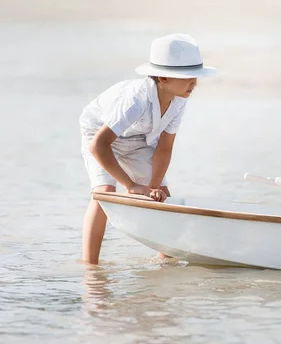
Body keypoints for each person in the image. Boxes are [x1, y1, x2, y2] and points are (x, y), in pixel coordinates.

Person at [79, 33, 217, 264]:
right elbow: (99, 145)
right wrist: (130, 185)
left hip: (137, 138)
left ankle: (165, 261)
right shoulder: (136, 99)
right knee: (104, 192)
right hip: (98, 134)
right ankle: (91, 268)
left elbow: (165, 147)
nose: (194, 83)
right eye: (187, 77)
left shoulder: (180, 98)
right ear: (163, 78)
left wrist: (153, 186)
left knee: (163, 196)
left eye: (196, 77)